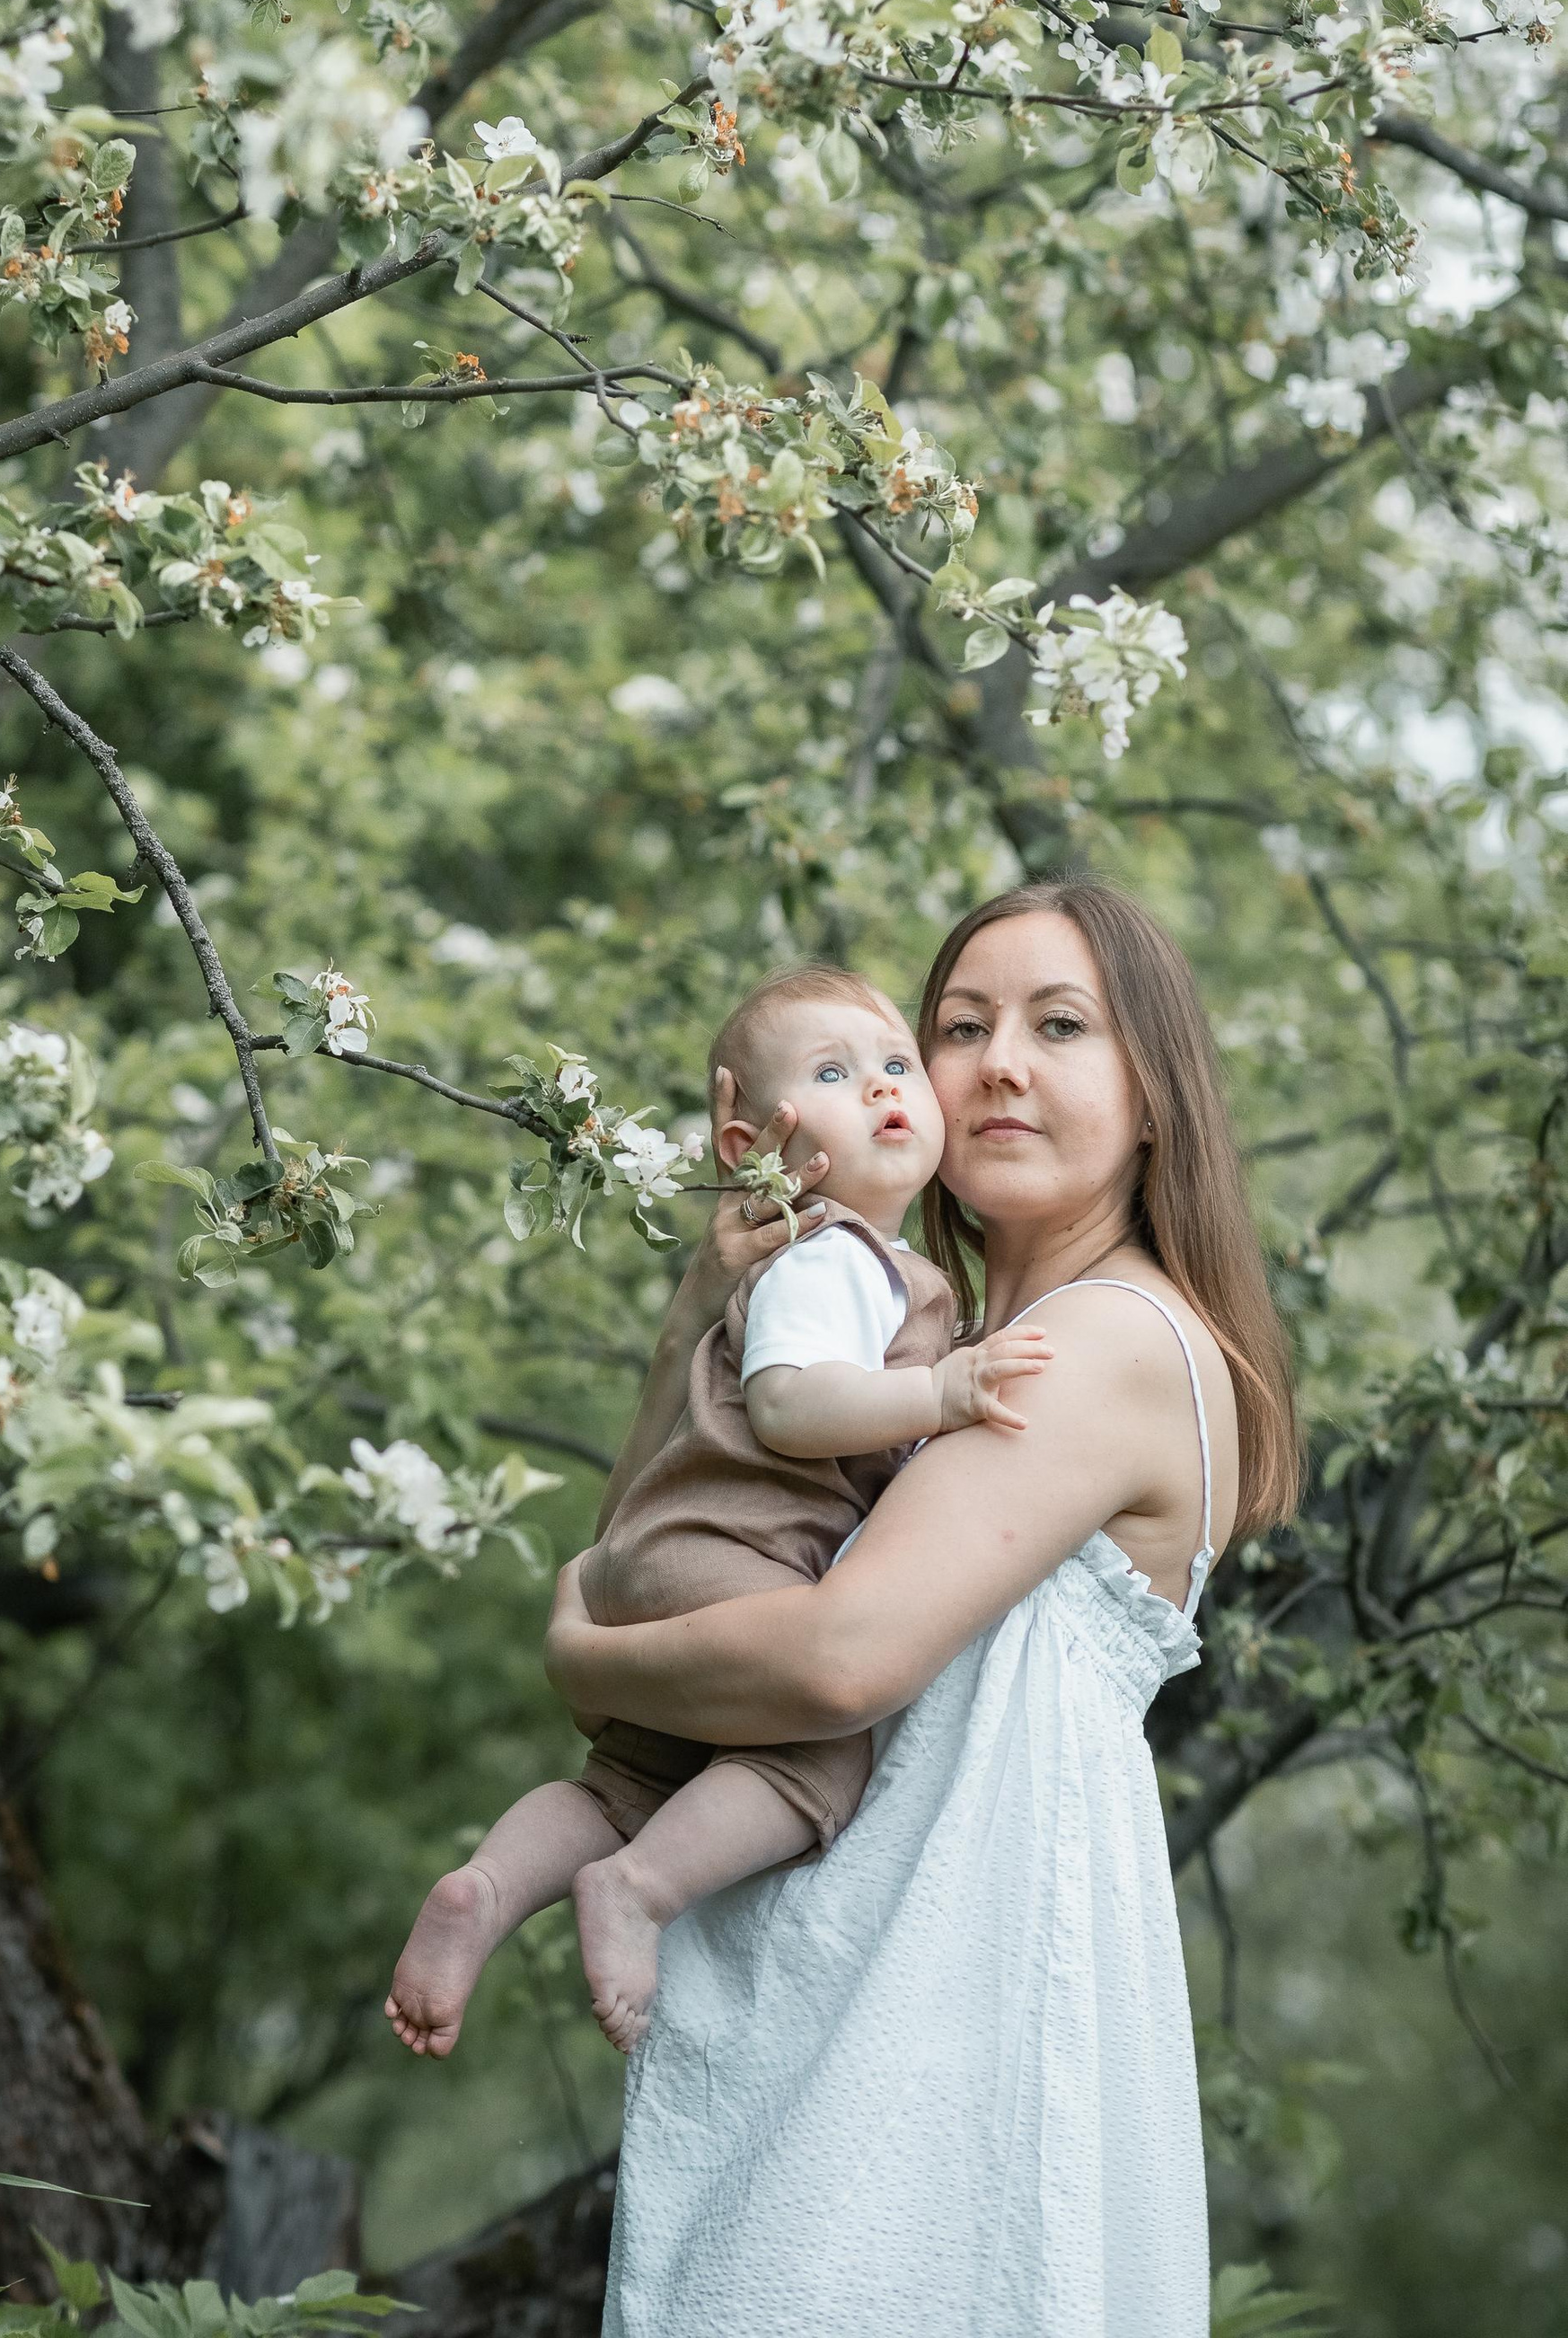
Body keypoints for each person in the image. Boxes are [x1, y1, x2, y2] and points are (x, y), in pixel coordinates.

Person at [542, 881, 1301, 2338]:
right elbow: (666, 1549)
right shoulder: (911, 1353)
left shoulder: (1105, 1342)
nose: (1000, 1061)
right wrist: (702, 1310)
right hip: (834, 2022)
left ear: (1156, 1099)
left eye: (1061, 1026)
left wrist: (583, 1652)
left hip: (946, 2040)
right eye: (960, 1026)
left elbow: (833, 1659)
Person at [385, 963, 1050, 2059]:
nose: (885, 1089)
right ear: (752, 1151)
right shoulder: (834, 1257)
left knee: (623, 1783)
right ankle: (640, 1891)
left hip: (660, 1560)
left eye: (895, 1065)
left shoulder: (855, 1265)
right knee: (815, 1762)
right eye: (835, 1074)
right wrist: (938, 1393)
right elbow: (789, 1406)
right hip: (737, 1556)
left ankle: (486, 1890)